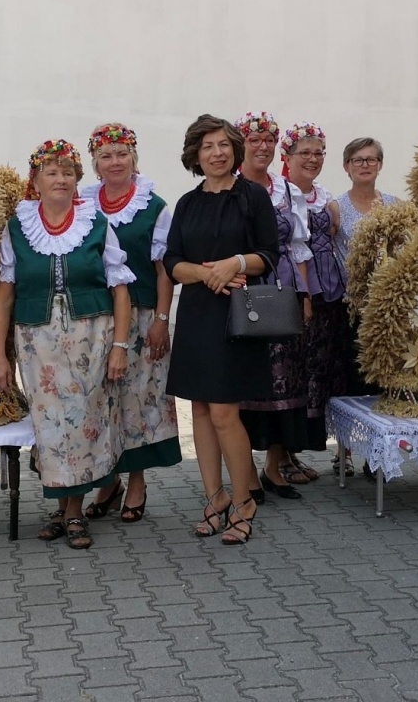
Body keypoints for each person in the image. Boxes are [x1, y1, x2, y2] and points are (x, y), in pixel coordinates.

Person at [0, 139, 133, 550]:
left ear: (77, 180)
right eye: (51, 172)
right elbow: (4, 295)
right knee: (50, 426)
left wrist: (120, 346)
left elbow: (120, 289)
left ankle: (72, 512)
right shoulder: (18, 227)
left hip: (91, 336)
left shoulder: (95, 224)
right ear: (34, 180)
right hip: (38, 342)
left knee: (85, 422)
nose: (60, 179)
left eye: (68, 172)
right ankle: (61, 507)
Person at [164, 114, 278, 545]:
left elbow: (270, 254)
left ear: (235, 149)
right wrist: (203, 272)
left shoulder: (253, 197)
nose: (217, 152)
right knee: (200, 411)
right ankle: (214, 498)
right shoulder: (187, 203)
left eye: (223, 144)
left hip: (236, 317)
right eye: (208, 146)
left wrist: (236, 263)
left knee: (226, 413)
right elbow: (171, 261)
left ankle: (245, 500)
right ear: (196, 154)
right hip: (196, 314)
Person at [77, 123, 182, 523]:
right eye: (106, 155)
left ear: (134, 158)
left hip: (139, 317)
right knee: (100, 400)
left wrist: (160, 319)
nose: (115, 161)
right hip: (94, 320)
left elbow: (163, 271)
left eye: (122, 154)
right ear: (95, 163)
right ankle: (108, 481)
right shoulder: (83, 203)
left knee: (137, 399)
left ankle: (135, 481)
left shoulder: (153, 206)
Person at [233, 110, 312, 503]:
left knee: (288, 377)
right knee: (246, 379)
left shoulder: (287, 190)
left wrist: (306, 295)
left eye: (269, 140)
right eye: (254, 139)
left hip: (282, 288)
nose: (263, 146)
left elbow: (298, 247)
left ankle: (274, 466)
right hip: (242, 286)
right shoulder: (229, 186)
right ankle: (245, 471)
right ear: (241, 144)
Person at [329, 137, 396, 476]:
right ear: (347, 167)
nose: (365, 165)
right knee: (349, 380)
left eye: (371, 159)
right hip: (350, 307)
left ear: (380, 165)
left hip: (385, 308)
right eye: (357, 160)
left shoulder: (395, 206)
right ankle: (343, 453)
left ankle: (376, 455)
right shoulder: (336, 207)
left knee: (381, 382)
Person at [281, 122, 344, 482]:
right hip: (297, 288)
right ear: (287, 158)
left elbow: (332, 235)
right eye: (304, 152)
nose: (313, 158)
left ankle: (296, 451)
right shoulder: (281, 194)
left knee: (318, 371)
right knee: (295, 371)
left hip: (329, 291)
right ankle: (283, 455)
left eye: (318, 152)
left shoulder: (324, 196)